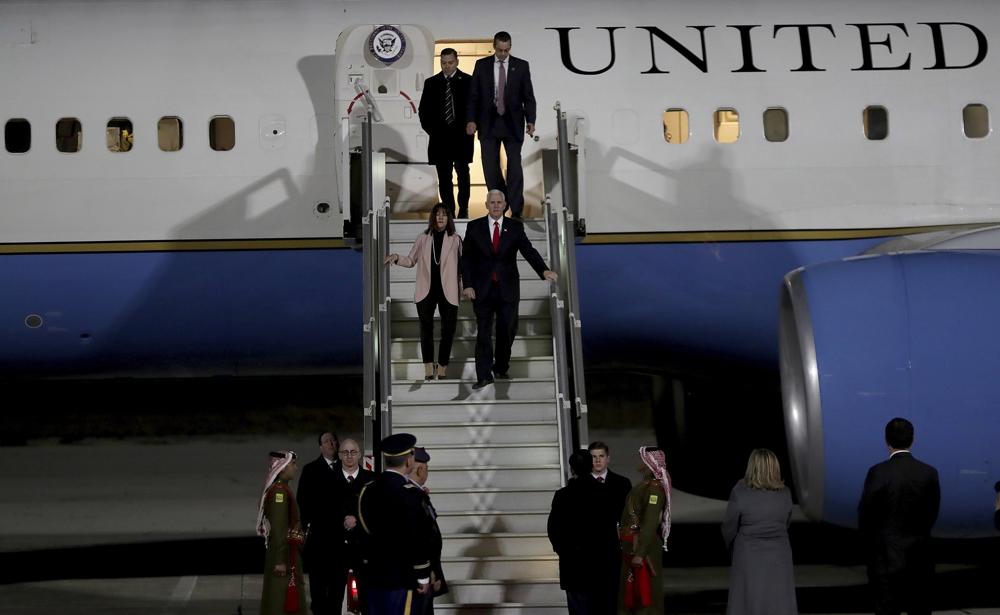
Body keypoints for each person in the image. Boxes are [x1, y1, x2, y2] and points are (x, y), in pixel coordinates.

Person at [461, 190, 557, 389]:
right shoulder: (474, 227)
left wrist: (544, 270)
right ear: (486, 204)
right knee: (484, 333)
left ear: (505, 205)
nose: (496, 205)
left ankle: (501, 366)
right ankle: (484, 375)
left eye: (499, 202)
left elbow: (528, 250)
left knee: (506, 330)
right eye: (492, 202)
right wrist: (468, 284)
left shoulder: (515, 227)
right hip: (482, 289)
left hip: (507, 289)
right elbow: (467, 259)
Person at [858, 417, 940, 615]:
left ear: (887, 441)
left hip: (886, 558)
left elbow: (865, 513)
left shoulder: (878, 472)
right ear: (913, 440)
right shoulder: (929, 473)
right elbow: (932, 511)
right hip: (920, 557)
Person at [358, 433, 433, 615]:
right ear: (408, 461)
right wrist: (422, 574)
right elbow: (418, 537)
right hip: (402, 577)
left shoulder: (367, 490)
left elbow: (365, 529)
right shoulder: (411, 494)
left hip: (373, 574)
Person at [386, 204, 462, 380]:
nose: (440, 218)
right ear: (433, 218)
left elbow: (462, 266)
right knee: (426, 329)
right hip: (425, 290)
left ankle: (442, 366)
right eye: (437, 214)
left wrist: (467, 285)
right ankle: (428, 366)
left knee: (448, 330)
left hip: (448, 290)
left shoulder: (456, 239)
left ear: (449, 218)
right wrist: (397, 258)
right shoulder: (423, 238)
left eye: (444, 214)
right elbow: (411, 260)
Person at [466, 30, 536, 218]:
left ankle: (516, 209)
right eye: (500, 50)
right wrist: (471, 120)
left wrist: (531, 120)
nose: (503, 54)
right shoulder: (481, 66)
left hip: (513, 123)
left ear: (510, 47)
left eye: (506, 50)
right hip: (488, 123)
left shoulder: (521, 66)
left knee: (514, 166)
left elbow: (528, 96)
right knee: (490, 167)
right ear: (494, 47)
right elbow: (473, 96)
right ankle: (499, 205)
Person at [720, 448, 797, 615]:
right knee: (779, 600)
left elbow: (729, 526)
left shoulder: (740, 491)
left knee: (748, 600)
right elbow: (786, 522)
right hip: (779, 555)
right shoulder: (785, 493)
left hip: (748, 555)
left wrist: (733, 549)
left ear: (752, 467)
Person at [548, 449, 621, 615]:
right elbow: (612, 526)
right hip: (603, 565)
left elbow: (553, 529)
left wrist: (564, 551)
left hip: (573, 565)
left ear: (572, 468)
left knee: (578, 608)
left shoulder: (562, 495)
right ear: (591, 467)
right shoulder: (606, 493)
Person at [419, 48, 474, 219]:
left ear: (457, 61)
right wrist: (433, 132)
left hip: (462, 137)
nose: (447, 66)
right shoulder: (431, 83)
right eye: (444, 63)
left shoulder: (468, 81)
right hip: (440, 138)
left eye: (450, 62)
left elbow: (474, 107)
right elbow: (423, 112)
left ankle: (463, 209)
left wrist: (472, 125)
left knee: (463, 174)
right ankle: (449, 210)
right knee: (444, 178)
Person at [618, 447, 671, 615]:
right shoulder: (645, 485)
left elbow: (650, 523)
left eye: (642, 458)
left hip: (642, 548)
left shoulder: (653, 488)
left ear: (649, 462)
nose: (638, 461)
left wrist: (640, 553)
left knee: (646, 597)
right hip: (633, 546)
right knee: (631, 595)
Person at [296, 432, 342, 615]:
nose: (331, 444)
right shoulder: (310, 470)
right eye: (326, 441)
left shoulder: (346, 467)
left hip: (340, 539)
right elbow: (303, 500)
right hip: (319, 539)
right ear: (320, 446)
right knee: (318, 585)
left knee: (337, 586)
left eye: (333, 440)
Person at [257, 450, 307, 615]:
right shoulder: (279, 492)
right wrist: (280, 560)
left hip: (286, 553)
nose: (296, 467)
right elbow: (279, 529)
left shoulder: (283, 489)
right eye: (292, 464)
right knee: (280, 600)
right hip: (284, 556)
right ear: (283, 467)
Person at [589, 441, 632, 614]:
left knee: (614, 595)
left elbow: (629, 515)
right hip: (589, 551)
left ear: (608, 458)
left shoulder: (622, 483)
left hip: (615, 549)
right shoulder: (578, 485)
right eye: (593, 457)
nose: (597, 461)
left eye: (601, 456)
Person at [337, 438, 376, 614]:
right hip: (337, 549)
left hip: (364, 551)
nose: (349, 456)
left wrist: (357, 523)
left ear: (359, 454)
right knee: (333, 600)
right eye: (345, 452)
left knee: (367, 600)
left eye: (353, 452)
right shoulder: (329, 480)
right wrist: (341, 522)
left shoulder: (372, 480)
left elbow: (377, 513)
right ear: (339, 455)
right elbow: (323, 513)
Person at [410, 447, 449, 613]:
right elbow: (423, 539)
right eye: (426, 469)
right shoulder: (412, 496)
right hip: (420, 575)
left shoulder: (419, 494)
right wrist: (430, 571)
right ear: (420, 470)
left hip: (427, 571)